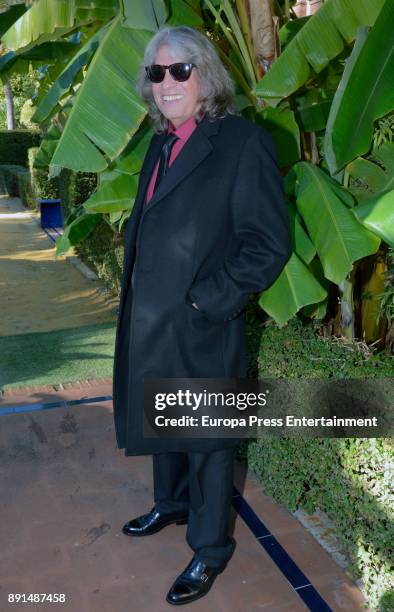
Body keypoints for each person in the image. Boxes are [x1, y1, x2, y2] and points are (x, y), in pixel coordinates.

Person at [112, 25, 292, 606]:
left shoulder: (240, 143)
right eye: (156, 73)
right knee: (164, 418)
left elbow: (267, 244)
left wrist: (205, 301)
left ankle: (210, 548)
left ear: (205, 75)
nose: (166, 83)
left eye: (180, 70)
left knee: (210, 443)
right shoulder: (160, 142)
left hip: (202, 323)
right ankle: (170, 502)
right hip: (153, 320)